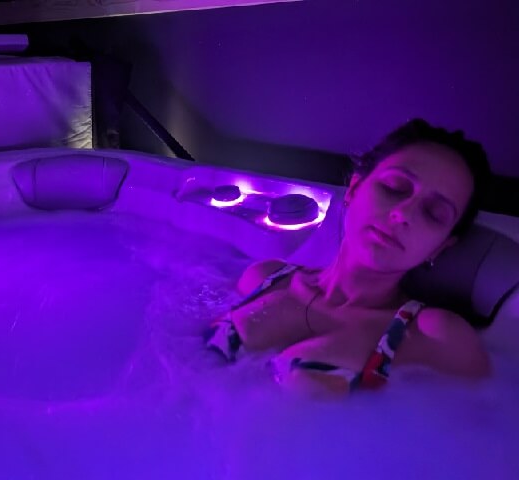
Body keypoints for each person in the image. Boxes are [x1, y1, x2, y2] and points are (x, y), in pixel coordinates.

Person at [205, 118, 492, 397]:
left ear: (439, 247)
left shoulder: (437, 337)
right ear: (354, 189)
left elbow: (485, 419)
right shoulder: (263, 277)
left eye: (434, 213)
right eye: (394, 187)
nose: (403, 214)